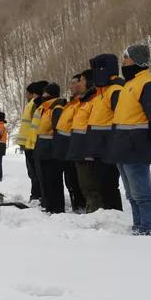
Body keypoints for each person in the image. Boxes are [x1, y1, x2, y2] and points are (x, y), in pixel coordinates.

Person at [109, 44, 151, 235]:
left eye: (126, 59)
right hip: (122, 147)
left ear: (136, 60)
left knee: (142, 195)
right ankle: (138, 227)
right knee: (132, 196)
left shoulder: (148, 83)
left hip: (136, 147)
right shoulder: (129, 84)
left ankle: (148, 230)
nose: (123, 63)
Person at [86, 53, 124, 211]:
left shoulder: (115, 90)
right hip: (98, 149)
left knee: (110, 186)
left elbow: (121, 119)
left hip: (109, 148)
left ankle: (115, 214)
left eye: (97, 69)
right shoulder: (100, 94)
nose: (94, 73)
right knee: (102, 185)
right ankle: (109, 214)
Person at [67, 68, 102, 212]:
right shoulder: (84, 101)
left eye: (81, 80)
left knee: (91, 187)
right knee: (84, 186)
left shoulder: (93, 100)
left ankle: (95, 214)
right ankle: (90, 211)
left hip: (88, 152)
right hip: (79, 150)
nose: (79, 84)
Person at [52, 73, 86, 212]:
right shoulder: (70, 104)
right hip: (65, 150)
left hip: (76, 150)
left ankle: (81, 207)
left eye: (74, 83)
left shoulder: (82, 103)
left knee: (78, 182)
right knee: (70, 181)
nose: (71, 86)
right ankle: (76, 206)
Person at [34, 83, 66, 213]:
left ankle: (56, 208)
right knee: (46, 180)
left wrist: (55, 149)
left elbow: (57, 129)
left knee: (54, 180)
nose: (43, 96)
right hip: (43, 150)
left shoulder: (56, 108)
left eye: (45, 93)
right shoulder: (46, 108)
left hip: (51, 151)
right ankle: (49, 206)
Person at [16, 81, 48, 202]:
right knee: (32, 173)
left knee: (35, 173)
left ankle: (37, 195)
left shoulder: (35, 105)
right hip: (28, 143)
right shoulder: (31, 104)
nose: (27, 96)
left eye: (29, 93)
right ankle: (36, 194)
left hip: (32, 144)